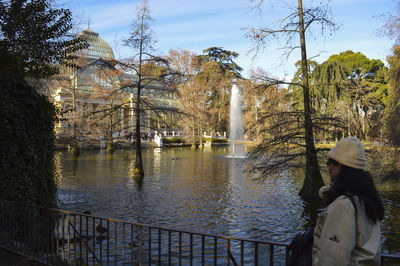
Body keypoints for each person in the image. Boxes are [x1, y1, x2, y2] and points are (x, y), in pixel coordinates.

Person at [312, 136, 385, 265]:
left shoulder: (342, 206)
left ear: (339, 165)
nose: (328, 167)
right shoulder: (365, 199)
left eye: (330, 162)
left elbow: (332, 260)